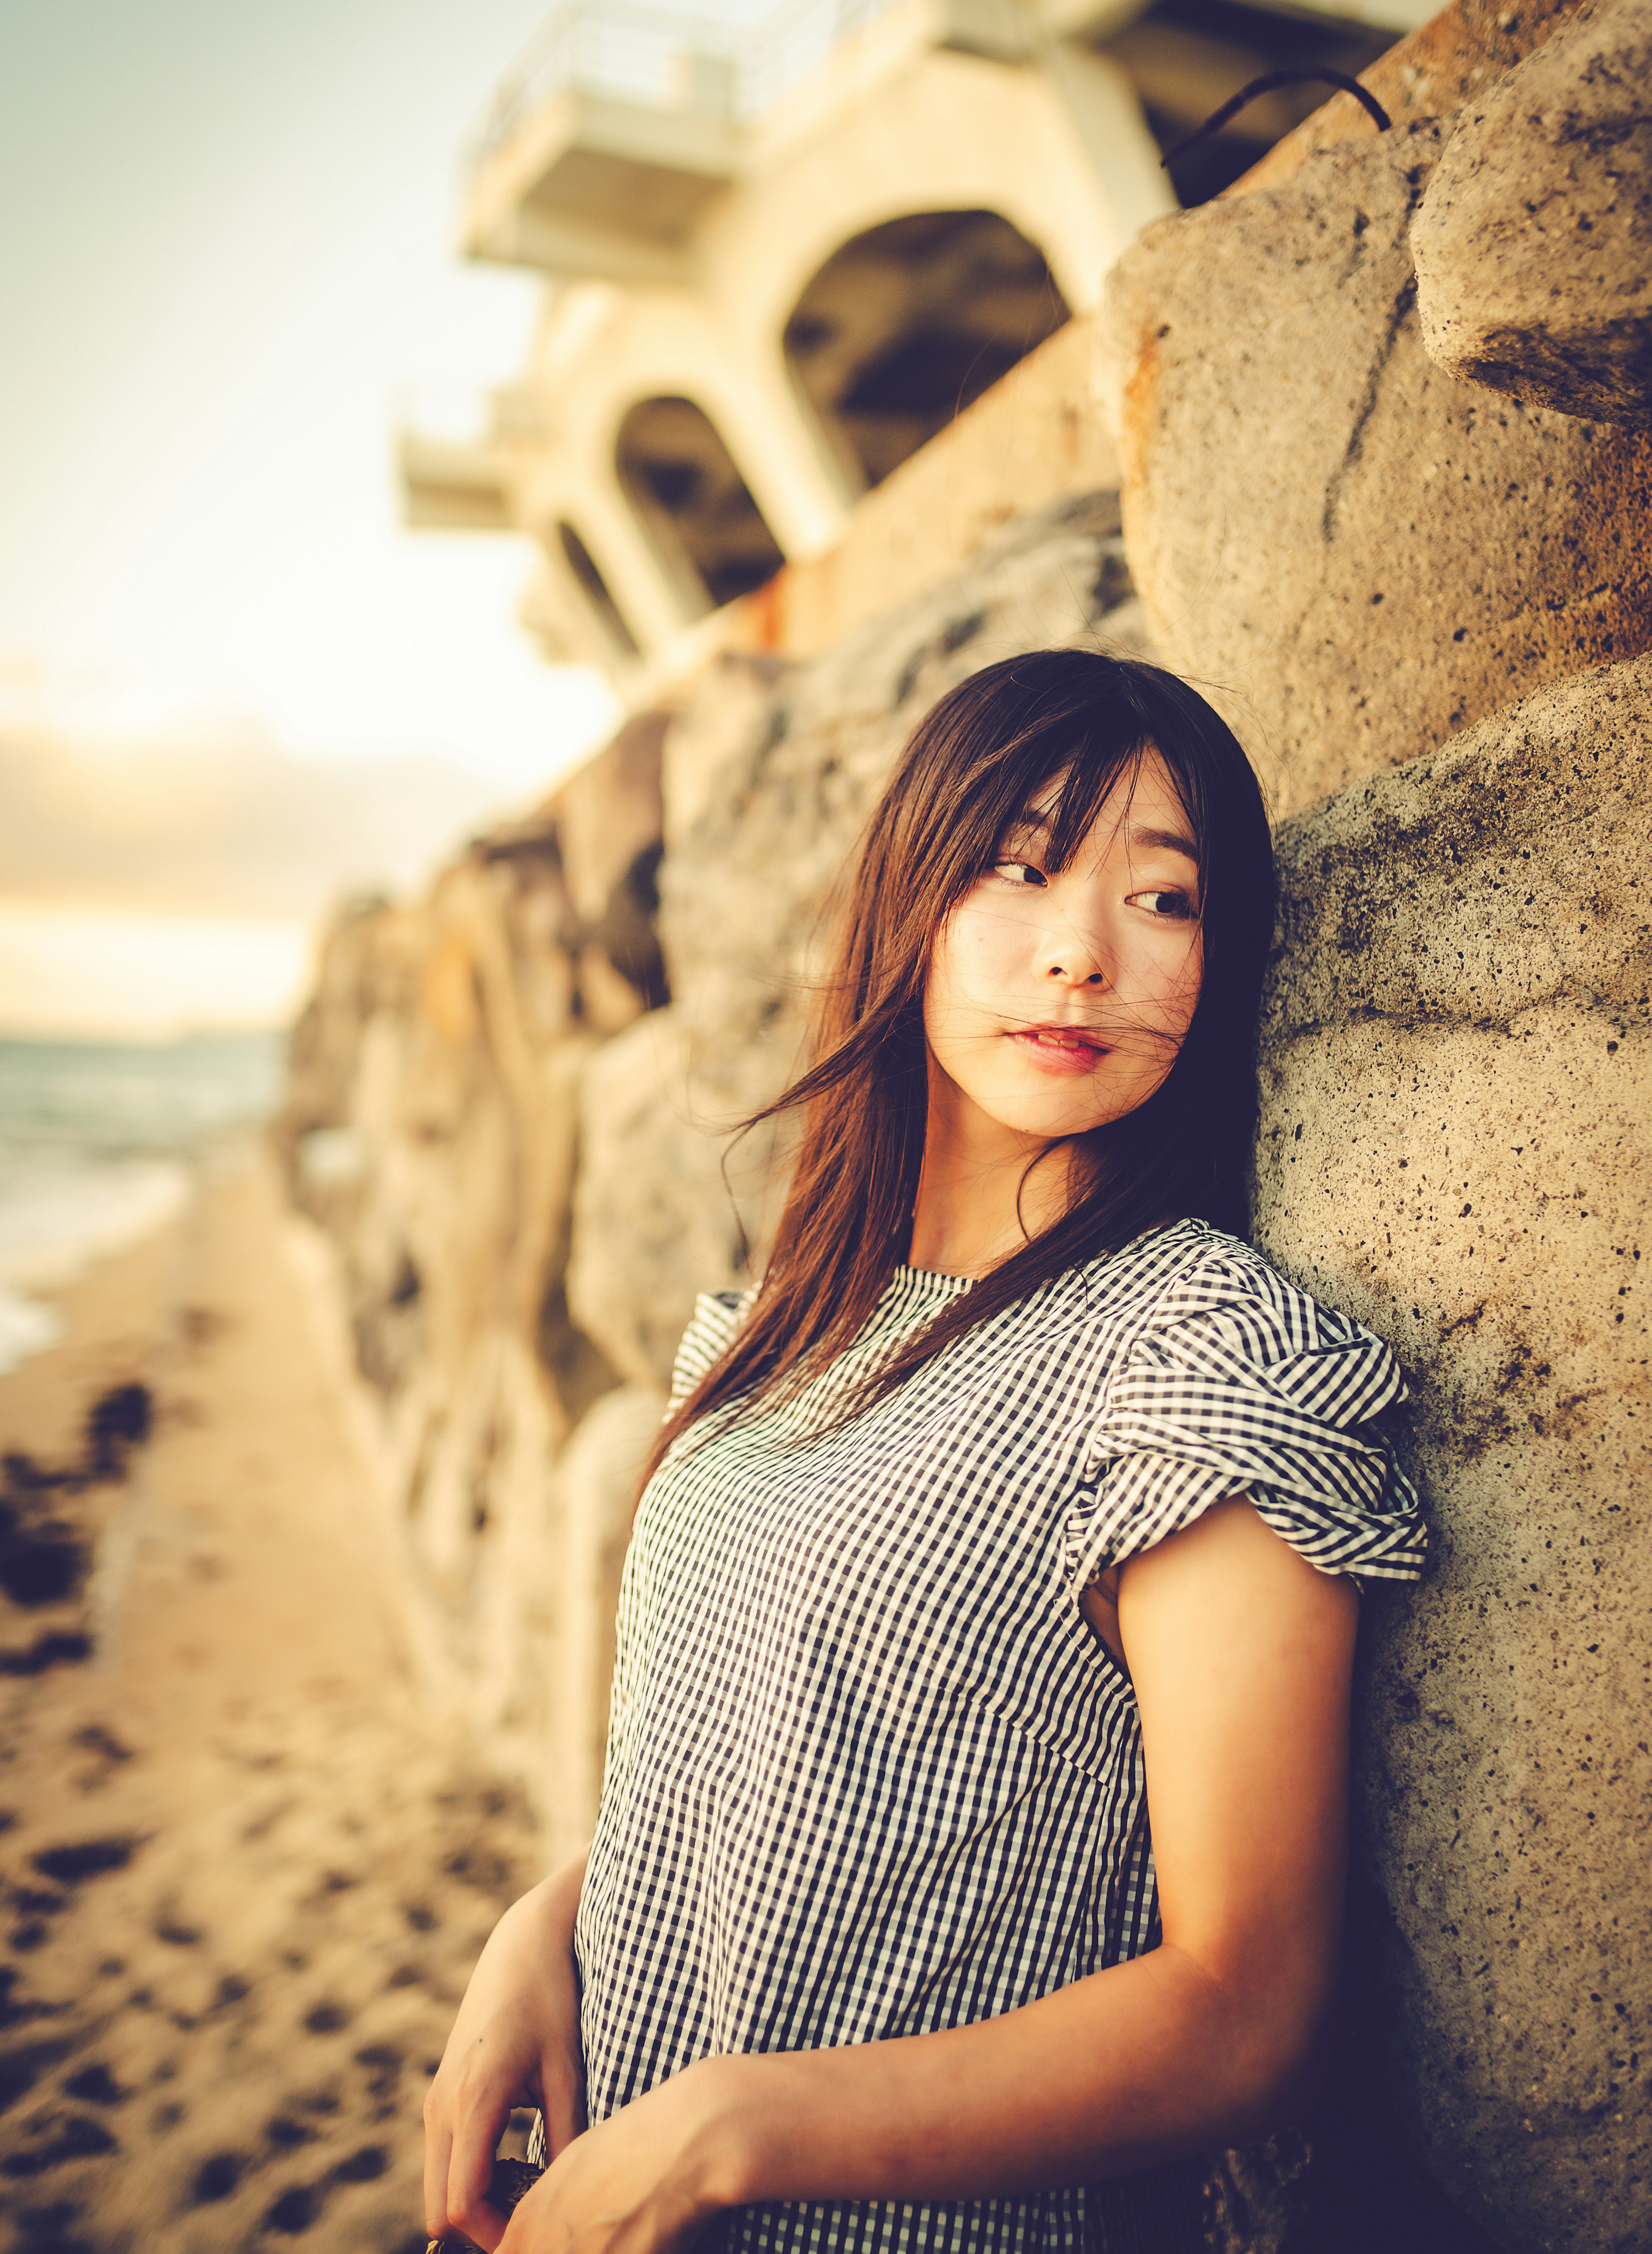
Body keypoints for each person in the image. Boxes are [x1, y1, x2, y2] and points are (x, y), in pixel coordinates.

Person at [423, 650, 1425, 2254]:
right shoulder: (774, 1328)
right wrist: (543, 1932)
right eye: (1017, 870)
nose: (1082, 956)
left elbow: (1247, 2007)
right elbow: (751, 1757)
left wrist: (738, 2132)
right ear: (912, 902)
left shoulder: (1192, 1352)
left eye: (1164, 902)